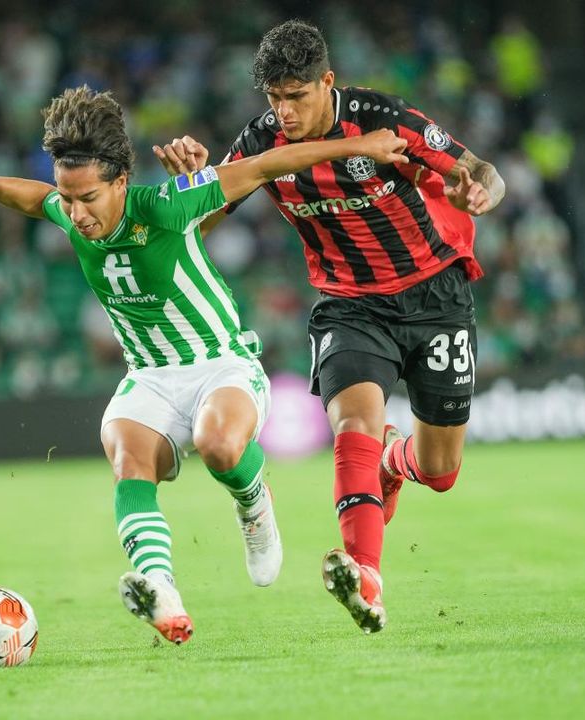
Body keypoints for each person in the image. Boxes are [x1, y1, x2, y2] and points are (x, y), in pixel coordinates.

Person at [0, 85, 412, 644]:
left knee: (218, 444)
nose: (75, 213)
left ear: (121, 182)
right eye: (68, 199)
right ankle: (162, 592)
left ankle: (254, 506)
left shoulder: (167, 205)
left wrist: (356, 146)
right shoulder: (70, 208)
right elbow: (35, 199)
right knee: (126, 456)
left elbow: (266, 164)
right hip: (149, 376)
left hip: (222, 364)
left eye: (87, 198)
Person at [154, 20, 506, 634]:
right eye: (274, 98)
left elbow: (481, 170)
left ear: (327, 82)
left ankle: (395, 462)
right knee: (353, 426)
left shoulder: (384, 120)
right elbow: (198, 224)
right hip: (349, 304)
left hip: (435, 296)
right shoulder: (261, 142)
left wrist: (479, 192)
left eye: (297, 96)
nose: (284, 112)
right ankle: (365, 575)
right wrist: (191, 183)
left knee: (441, 471)